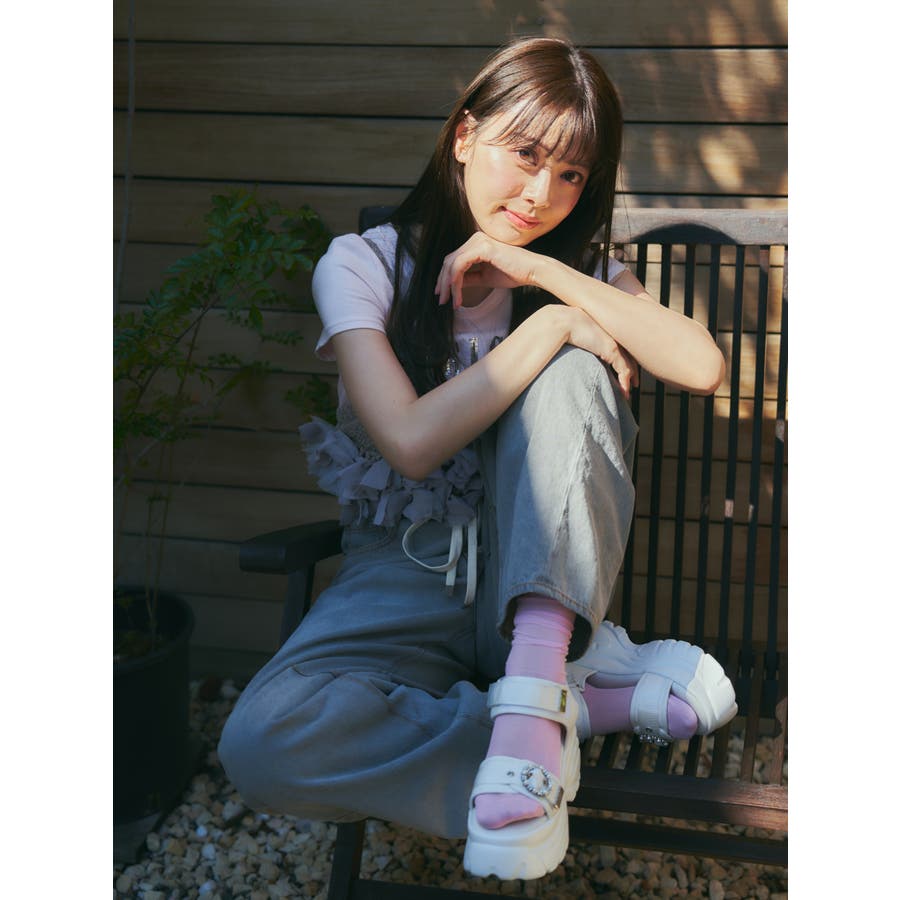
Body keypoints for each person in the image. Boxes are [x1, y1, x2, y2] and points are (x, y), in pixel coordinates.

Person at [219, 37, 738, 881]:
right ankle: (561, 718)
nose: (541, 194)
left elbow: (703, 364)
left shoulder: (575, 270)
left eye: (571, 174)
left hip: (535, 579)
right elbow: (410, 442)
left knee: (573, 374)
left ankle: (536, 691)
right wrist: (550, 324)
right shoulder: (365, 264)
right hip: (401, 572)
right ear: (464, 136)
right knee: (262, 741)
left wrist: (539, 275)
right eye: (525, 154)